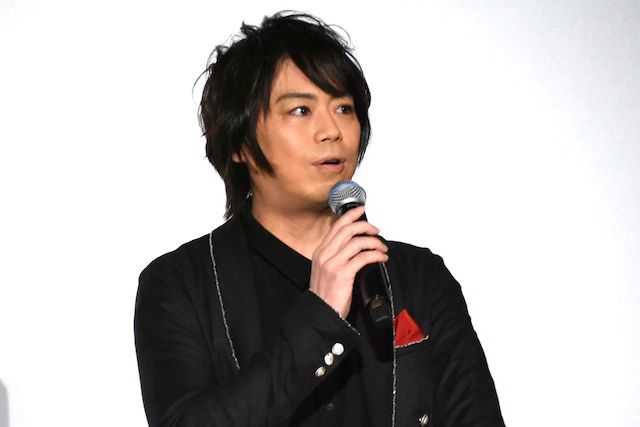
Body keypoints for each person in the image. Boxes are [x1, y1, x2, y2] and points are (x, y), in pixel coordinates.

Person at [134, 11, 505, 427]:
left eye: (344, 108)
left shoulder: (420, 278)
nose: (331, 131)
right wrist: (319, 317)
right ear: (239, 142)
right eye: (300, 110)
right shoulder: (181, 284)